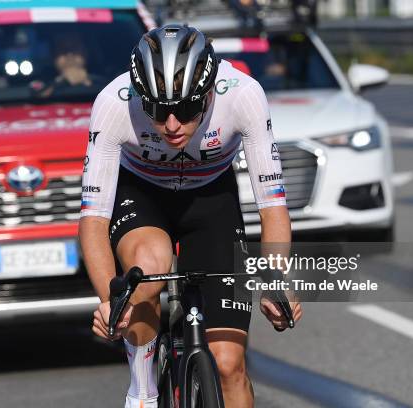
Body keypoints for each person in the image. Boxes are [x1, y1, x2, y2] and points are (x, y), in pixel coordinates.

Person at [80, 24, 302, 408]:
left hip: (211, 199)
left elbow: (272, 206)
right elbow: (93, 220)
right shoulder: (113, 102)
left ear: (210, 90)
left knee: (229, 365)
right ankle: (143, 390)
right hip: (142, 195)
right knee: (148, 269)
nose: (171, 126)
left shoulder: (244, 95)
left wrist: (276, 279)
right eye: (157, 110)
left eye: (185, 110)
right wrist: (108, 300)